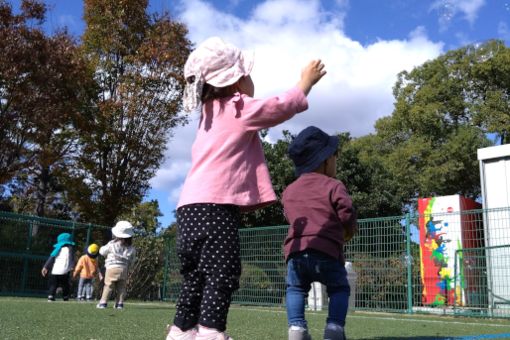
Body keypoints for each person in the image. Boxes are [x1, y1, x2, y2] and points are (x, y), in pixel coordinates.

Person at [167, 36, 326, 340]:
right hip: (215, 208)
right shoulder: (237, 108)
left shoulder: (208, 116)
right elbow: (278, 108)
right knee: (221, 273)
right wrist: (304, 84)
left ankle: (182, 331)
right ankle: (211, 333)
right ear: (236, 82)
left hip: (188, 209)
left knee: (195, 276)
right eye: (248, 75)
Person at [282, 126, 357, 340]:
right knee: (339, 288)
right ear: (324, 160)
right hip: (327, 251)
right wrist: (348, 229)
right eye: (335, 156)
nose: (336, 161)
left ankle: (296, 329)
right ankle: (334, 329)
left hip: (296, 253)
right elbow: (346, 211)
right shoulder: (334, 185)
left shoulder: (289, 190)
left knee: (295, 289)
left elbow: (291, 215)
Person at [96, 221, 136, 310]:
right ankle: (119, 304)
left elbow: (102, 252)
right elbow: (132, 260)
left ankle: (103, 302)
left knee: (108, 285)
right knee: (121, 287)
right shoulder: (131, 248)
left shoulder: (111, 244)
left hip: (111, 268)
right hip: (124, 269)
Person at [41, 232, 76, 302]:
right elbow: (71, 258)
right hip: (65, 271)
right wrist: (72, 266)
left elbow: (51, 258)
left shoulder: (57, 249)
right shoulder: (70, 248)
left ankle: (51, 296)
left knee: (53, 284)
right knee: (65, 285)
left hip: (55, 271)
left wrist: (45, 267)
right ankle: (65, 297)